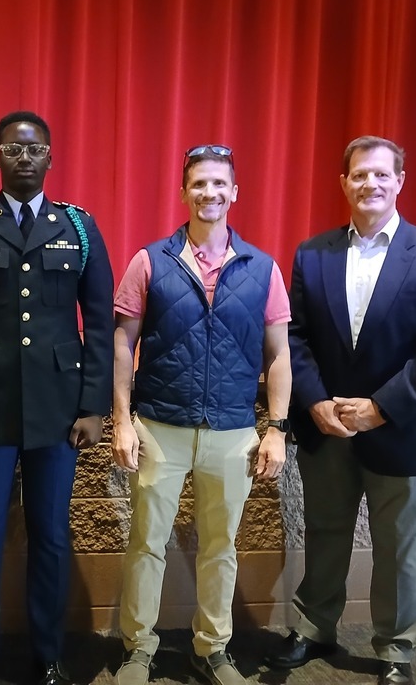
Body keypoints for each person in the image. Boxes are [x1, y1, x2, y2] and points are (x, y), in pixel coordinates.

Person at [263, 136, 416, 685]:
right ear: (344, 183)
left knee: (399, 546)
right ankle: (313, 628)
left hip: (401, 427)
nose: (370, 184)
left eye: (381, 174)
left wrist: (381, 407)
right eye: (359, 175)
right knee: (325, 530)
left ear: (400, 181)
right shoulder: (312, 253)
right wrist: (314, 402)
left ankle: (396, 647)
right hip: (327, 424)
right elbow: (296, 339)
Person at [0, 111, 114, 685]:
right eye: (13, 150)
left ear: (51, 158)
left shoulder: (77, 226)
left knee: (52, 537)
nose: (25, 158)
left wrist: (92, 405)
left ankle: (49, 653)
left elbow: (101, 322)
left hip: (58, 412)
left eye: (35, 150)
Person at [111, 144, 292, 685]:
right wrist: (122, 419)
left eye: (219, 184)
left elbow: (279, 354)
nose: (209, 193)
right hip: (160, 427)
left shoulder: (263, 268)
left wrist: (276, 430)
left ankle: (212, 648)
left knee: (221, 547)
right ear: (183, 191)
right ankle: (137, 649)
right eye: (198, 184)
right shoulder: (149, 261)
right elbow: (122, 343)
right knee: (146, 543)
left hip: (233, 431)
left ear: (235, 192)